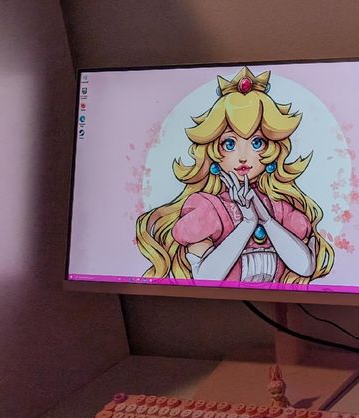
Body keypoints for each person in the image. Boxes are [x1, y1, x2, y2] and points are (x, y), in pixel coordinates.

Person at [135, 66, 334, 284]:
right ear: (212, 149)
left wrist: (265, 218)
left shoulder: (278, 208)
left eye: (257, 143)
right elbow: (205, 279)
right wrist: (247, 223)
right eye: (229, 143)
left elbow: (304, 268)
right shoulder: (208, 208)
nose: (243, 156)